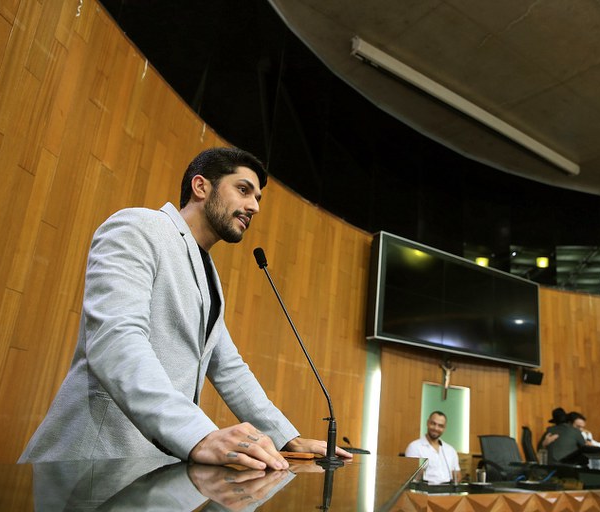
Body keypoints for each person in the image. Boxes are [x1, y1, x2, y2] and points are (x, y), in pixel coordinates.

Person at [18, 147, 351, 469]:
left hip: (151, 472)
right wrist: (199, 434)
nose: (254, 206)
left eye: (258, 198)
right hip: (91, 465)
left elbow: (229, 369)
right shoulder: (138, 227)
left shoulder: (209, 275)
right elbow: (116, 340)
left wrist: (287, 438)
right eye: (243, 190)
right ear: (200, 187)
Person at [404, 411, 461, 484]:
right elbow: (412, 477)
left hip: (448, 489)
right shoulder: (414, 447)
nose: (436, 428)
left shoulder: (451, 450)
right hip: (425, 490)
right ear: (428, 423)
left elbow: (457, 476)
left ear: (444, 428)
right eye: (433, 424)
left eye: (440, 426)